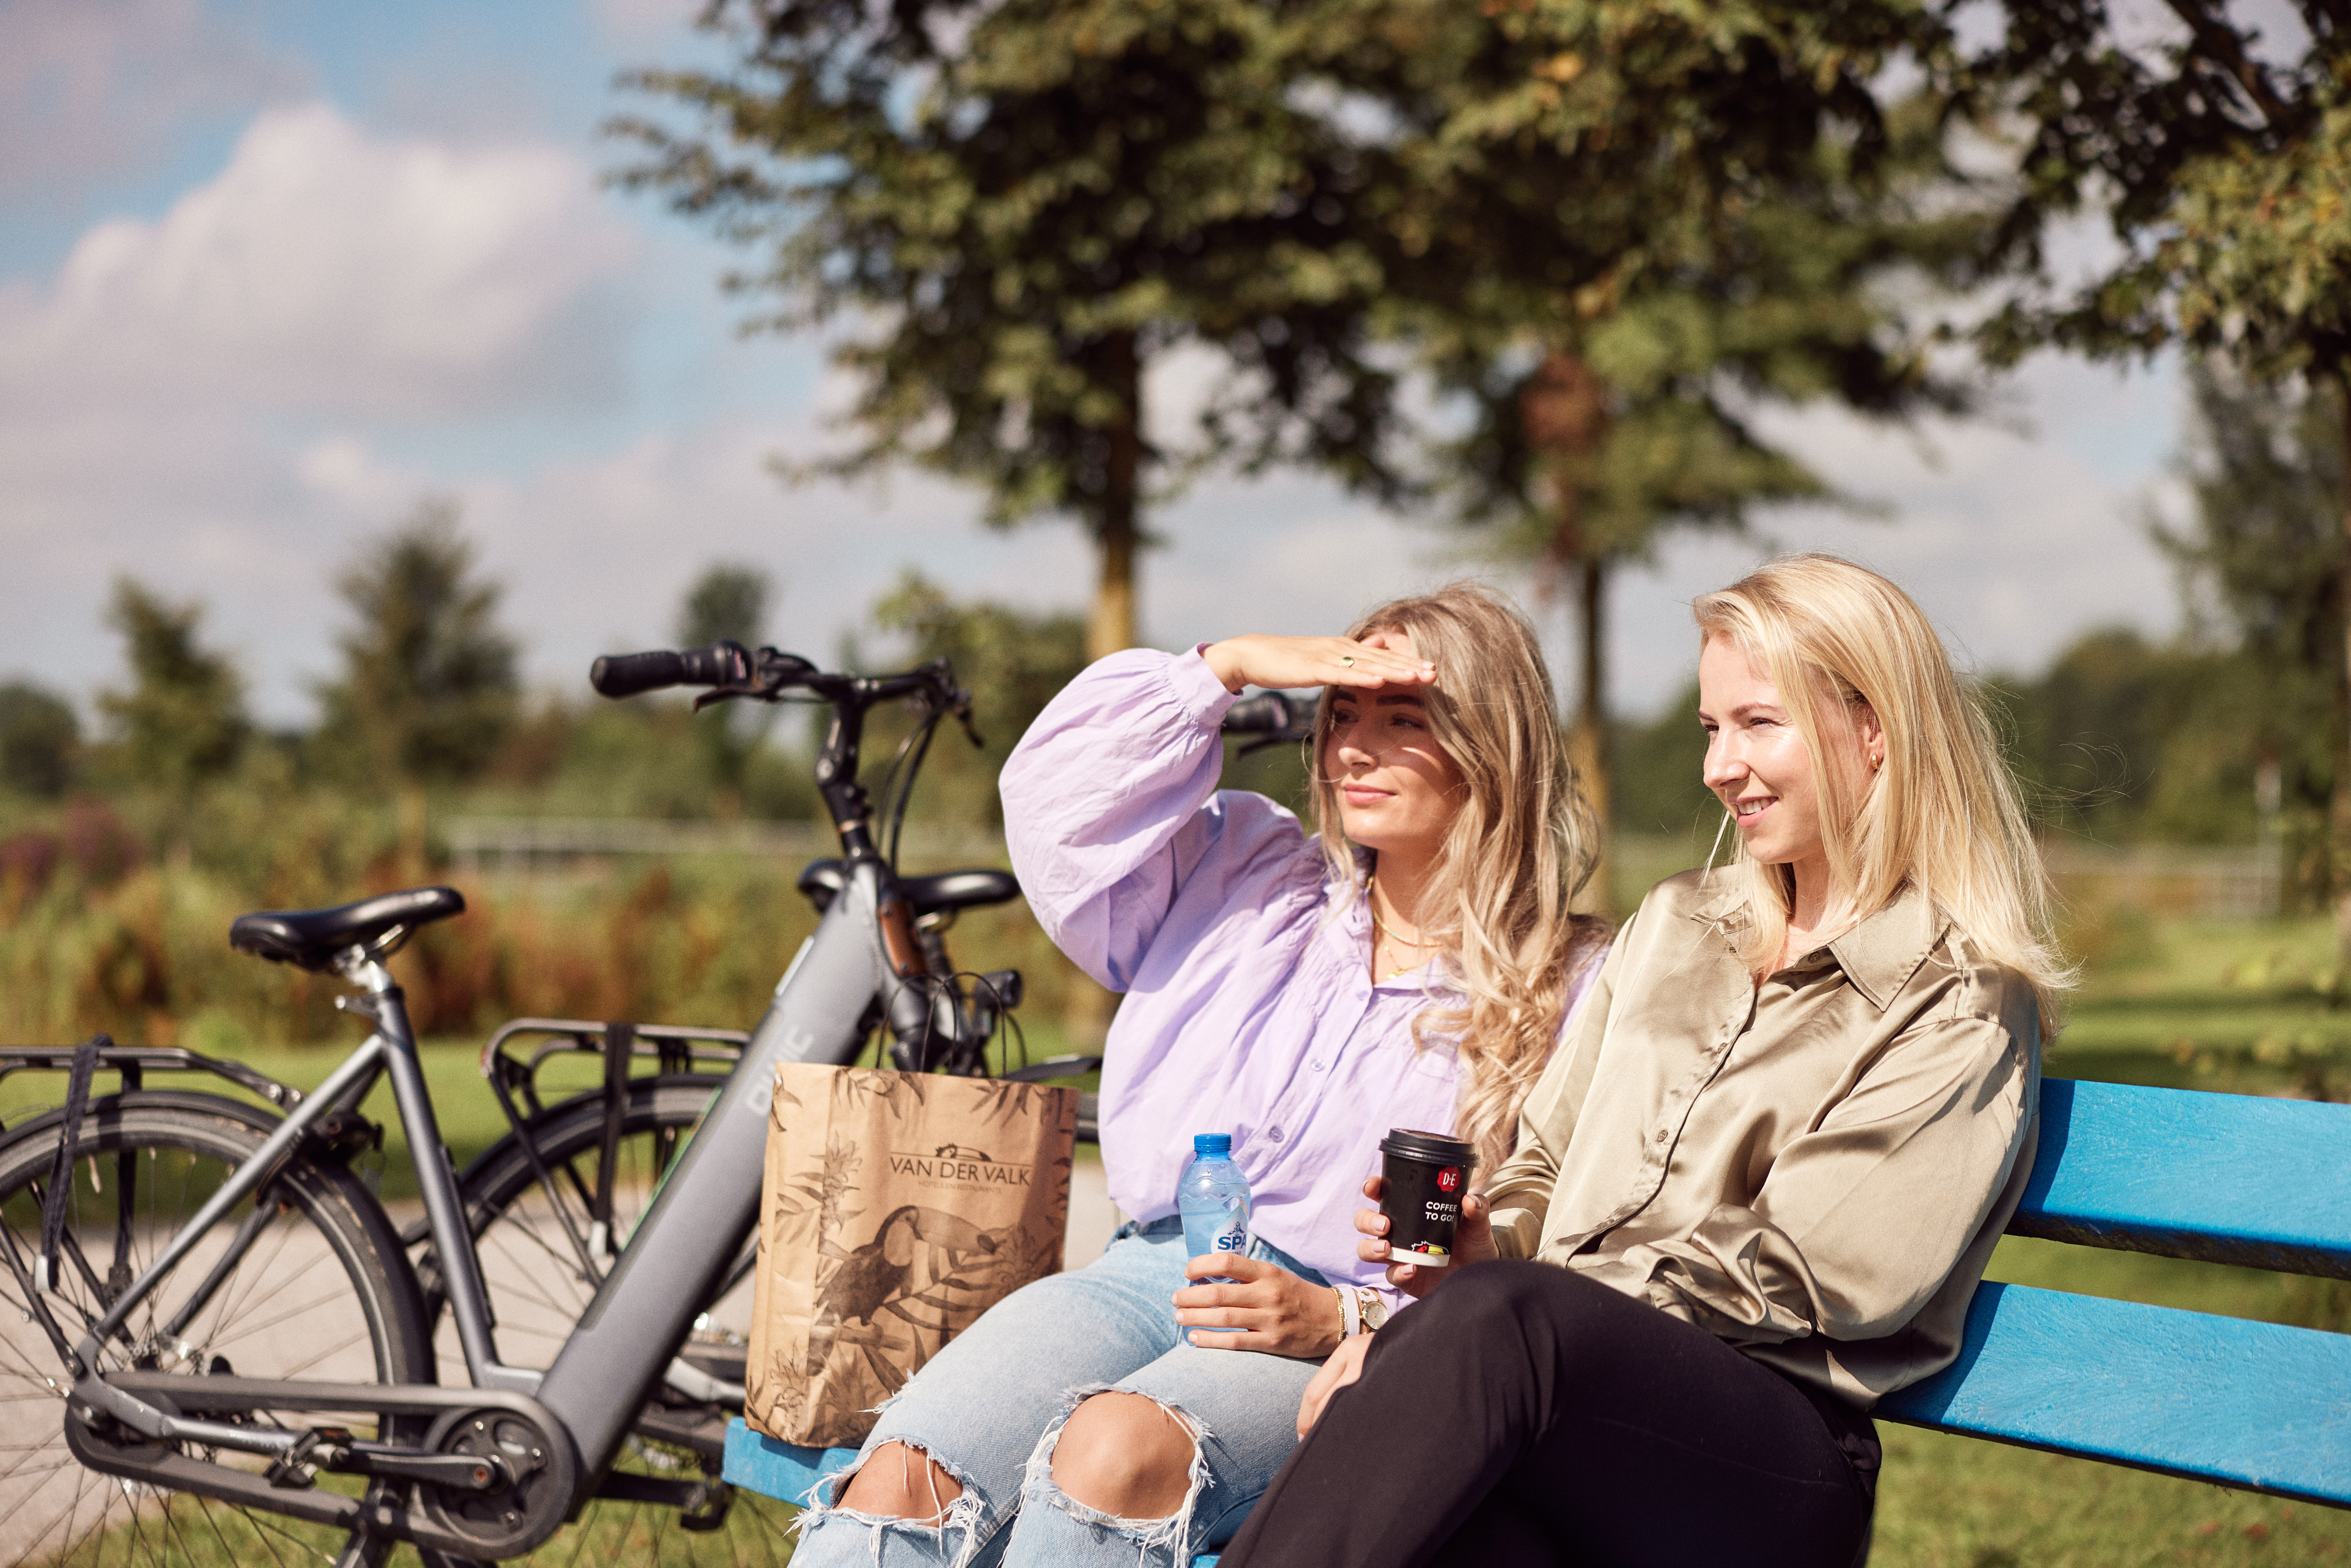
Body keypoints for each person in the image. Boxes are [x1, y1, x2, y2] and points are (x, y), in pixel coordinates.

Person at [1218, 554, 2072, 1568]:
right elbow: (1541, 1160)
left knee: (1497, 1328)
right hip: (1562, 1413)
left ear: (1873, 732)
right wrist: (1488, 1250)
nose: (1720, 767)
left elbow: (1826, 1280)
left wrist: (1504, 1313)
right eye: (1714, 729)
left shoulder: (1957, 996)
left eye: (1760, 724)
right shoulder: (1678, 925)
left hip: (1769, 1462)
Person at [786, 584, 1609, 1568]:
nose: (1353, 747)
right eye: (1341, 716)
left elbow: (1571, 1249)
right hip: (1147, 1269)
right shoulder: (1250, 875)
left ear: (1491, 748)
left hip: (1341, 1329)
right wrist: (1222, 669)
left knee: (1114, 1457)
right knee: (906, 1479)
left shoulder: (1572, 983)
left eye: (1404, 721)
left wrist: (1350, 1317)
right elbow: (1057, 804)